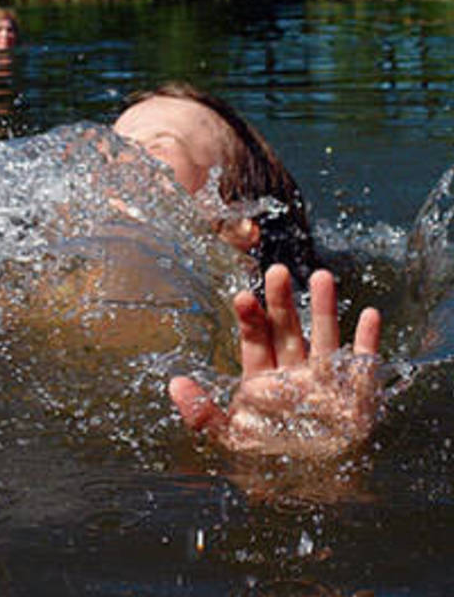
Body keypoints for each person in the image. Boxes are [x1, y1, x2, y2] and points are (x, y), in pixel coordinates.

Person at [112, 83, 383, 458]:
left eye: (155, 148)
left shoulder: (250, 369)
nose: (113, 163)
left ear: (237, 225)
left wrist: (299, 463)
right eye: (109, 148)